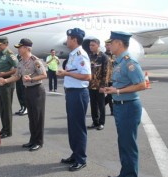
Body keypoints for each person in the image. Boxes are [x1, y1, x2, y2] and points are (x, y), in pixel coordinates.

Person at [103, 31, 146, 177]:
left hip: (128, 107)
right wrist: (112, 90)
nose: (109, 45)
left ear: (119, 43)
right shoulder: (119, 61)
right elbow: (120, 84)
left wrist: (118, 91)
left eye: (112, 42)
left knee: (128, 145)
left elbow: (141, 85)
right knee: (124, 144)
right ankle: (125, 174)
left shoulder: (129, 62)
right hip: (120, 106)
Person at [0, 38, 47, 151]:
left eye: (20, 47)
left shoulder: (35, 60)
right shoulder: (20, 61)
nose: (18, 50)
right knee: (31, 117)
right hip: (28, 90)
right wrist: (5, 81)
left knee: (38, 117)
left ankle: (38, 142)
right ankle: (32, 140)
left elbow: (44, 75)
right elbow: (17, 76)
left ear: (26, 48)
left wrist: (31, 79)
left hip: (37, 90)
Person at [57, 28, 91, 172]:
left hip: (78, 93)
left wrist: (65, 73)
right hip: (72, 93)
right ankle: (75, 154)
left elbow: (87, 76)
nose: (67, 40)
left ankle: (81, 159)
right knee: (72, 126)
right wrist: (66, 74)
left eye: (69, 38)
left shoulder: (81, 55)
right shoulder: (73, 54)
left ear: (75, 39)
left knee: (78, 127)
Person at [0, 36, 18, 139]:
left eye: (0, 45)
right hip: (0, 82)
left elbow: (17, 69)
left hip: (7, 83)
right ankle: (4, 128)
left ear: (6, 44)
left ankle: (8, 131)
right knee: (2, 107)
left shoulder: (10, 54)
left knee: (7, 108)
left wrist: (5, 73)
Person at [87, 38, 108, 130]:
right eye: (90, 45)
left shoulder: (103, 57)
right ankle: (95, 122)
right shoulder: (89, 56)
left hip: (100, 86)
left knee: (101, 105)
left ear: (98, 45)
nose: (91, 47)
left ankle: (101, 122)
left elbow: (106, 72)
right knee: (93, 105)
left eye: (93, 45)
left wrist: (103, 86)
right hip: (91, 85)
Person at [104, 40, 115, 115]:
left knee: (111, 94)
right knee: (110, 94)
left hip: (115, 78)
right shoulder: (103, 55)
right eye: (107, 45)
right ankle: (112, 110)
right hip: (107, 78)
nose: (108, 46)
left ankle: (101, 105)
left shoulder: (115, 55)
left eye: (109, 45)